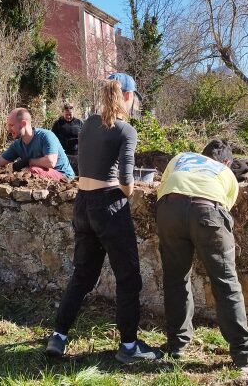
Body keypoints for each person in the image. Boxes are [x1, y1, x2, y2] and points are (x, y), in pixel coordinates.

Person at [46, 74, 161, 363]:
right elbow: (125, 179)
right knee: (128, 278)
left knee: (82, 275)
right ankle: (129, 347)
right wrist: (131, 189)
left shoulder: (87, 126)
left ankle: (58, 336)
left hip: (82, 204)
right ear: (127, 96)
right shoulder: (126, 130)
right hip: (109, 206)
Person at [155, 140, 248, 369]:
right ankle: (244, 354)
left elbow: (163, 185)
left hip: (169, 209)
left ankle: (177, 346)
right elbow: (224, 207)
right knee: (225, 283)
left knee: (175, 279)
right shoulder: (225, 172)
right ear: (227, 162)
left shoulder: (181, 156)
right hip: (207, 210)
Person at [0, 108, 74, 180]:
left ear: (23, 123)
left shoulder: (46, 136)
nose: (9, 129)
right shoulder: (18, 144)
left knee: (31, 171)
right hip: (42, 173)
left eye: (11, 125)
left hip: (63, 176)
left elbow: (51, 162)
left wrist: (28, 161)